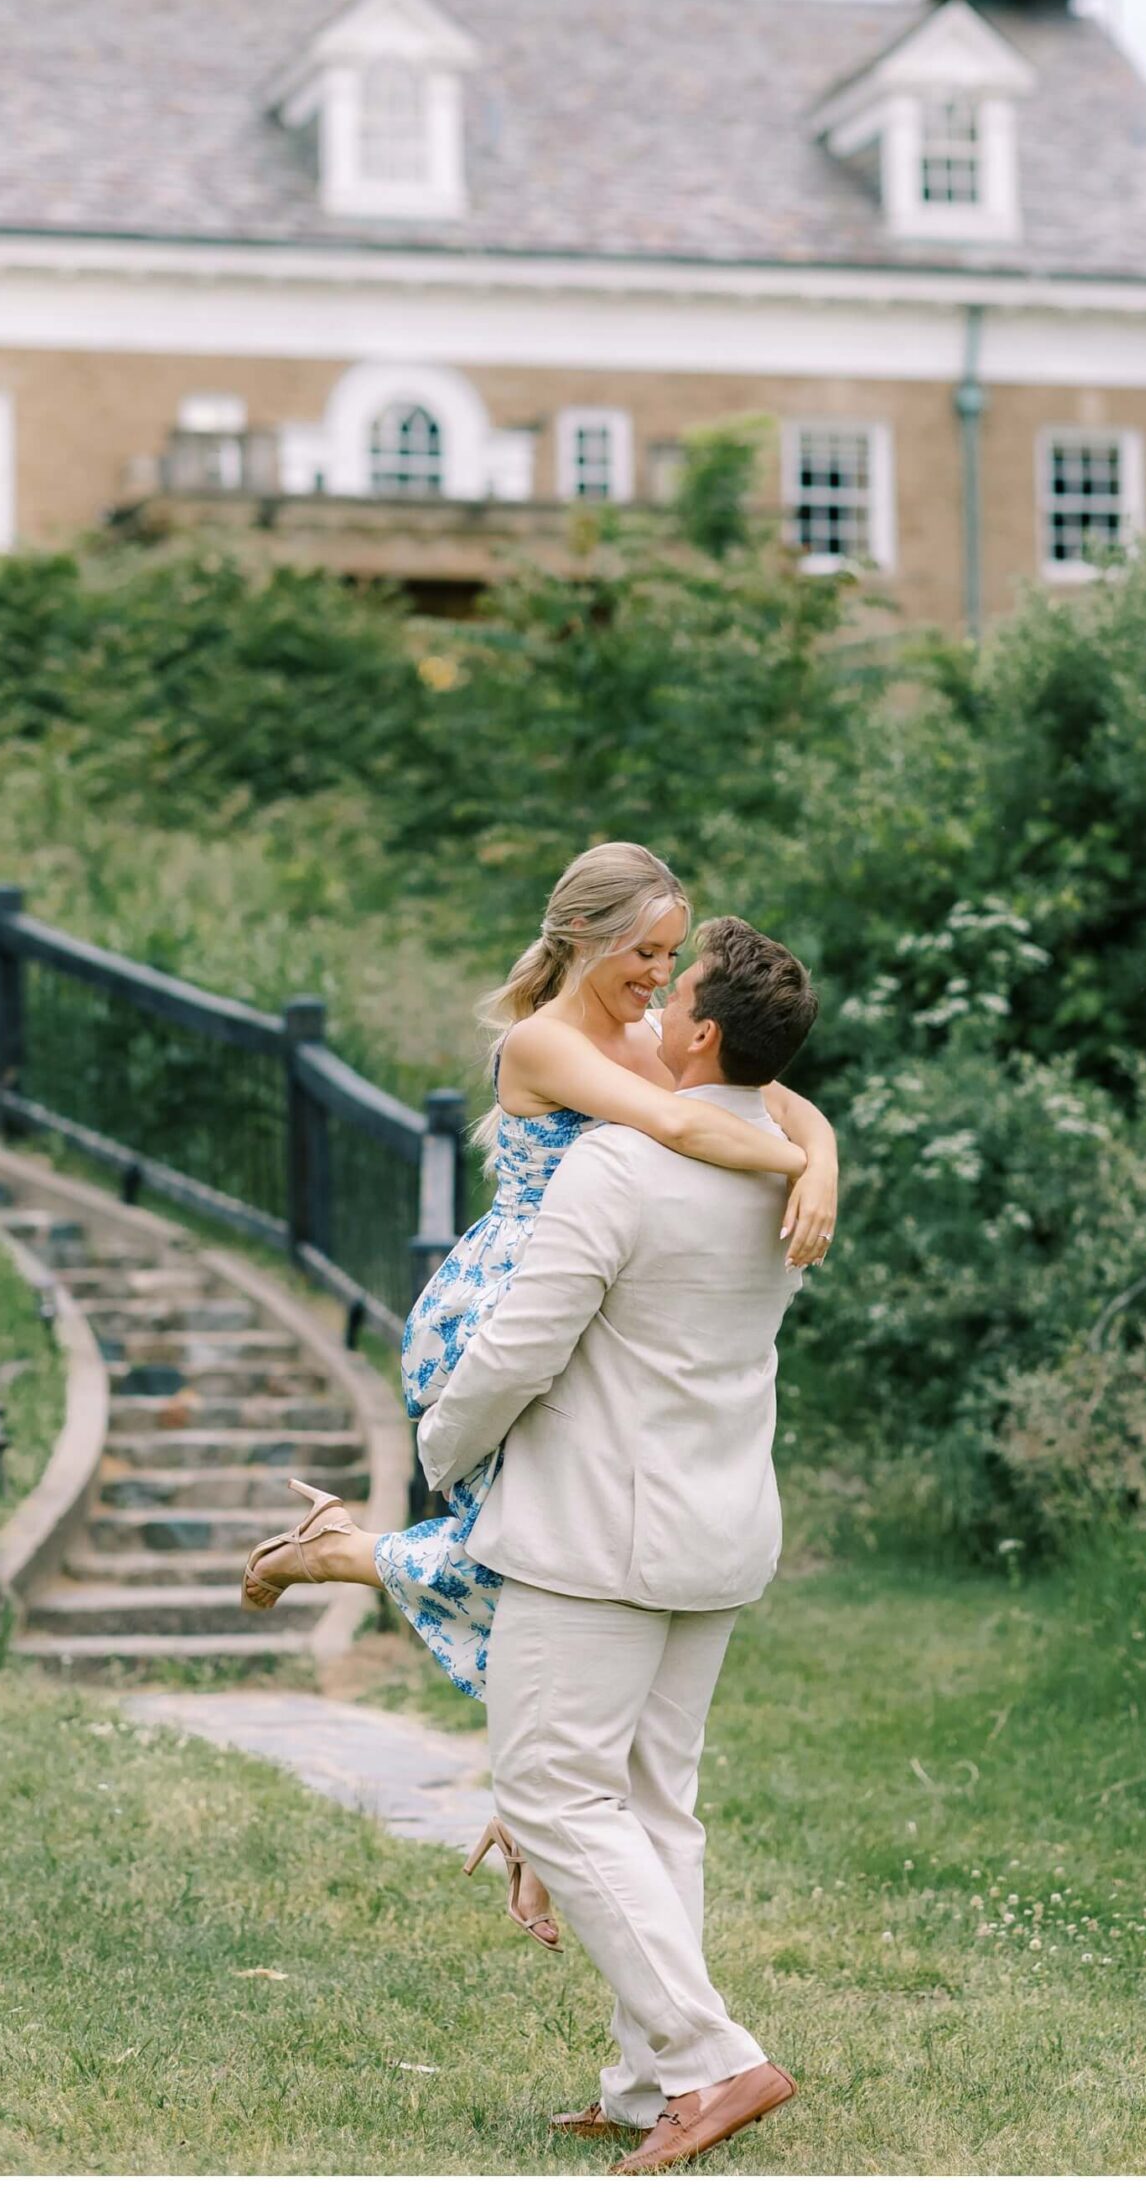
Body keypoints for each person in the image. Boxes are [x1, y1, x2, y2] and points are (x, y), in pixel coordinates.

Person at [239, 844, 838, 1954]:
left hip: (587, 1304)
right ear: (584, 936)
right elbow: (689, 1125)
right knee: (534, 1555)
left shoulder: (652, 1034)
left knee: (537, 1569)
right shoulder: (548, 1040)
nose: (659, 974)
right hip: (504, 1307)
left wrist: (825, 1151)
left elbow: (767, 1095)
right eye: (643, 951)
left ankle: (519, 1784)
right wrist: (795, 1166)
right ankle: (536, 1800)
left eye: (672, 955)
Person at [413, 913, 817, 2171]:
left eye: (671, 993)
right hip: (719, 1525)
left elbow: (522, 1347)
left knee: (551, 1789)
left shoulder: (618, 1165)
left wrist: (439, 1446)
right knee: (655, 1803)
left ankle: (711, 2062)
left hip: (596, 1536)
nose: (648, 1009)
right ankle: (650, 2082)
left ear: (700, 1032)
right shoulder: (783, 1170)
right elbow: (788, 1124)